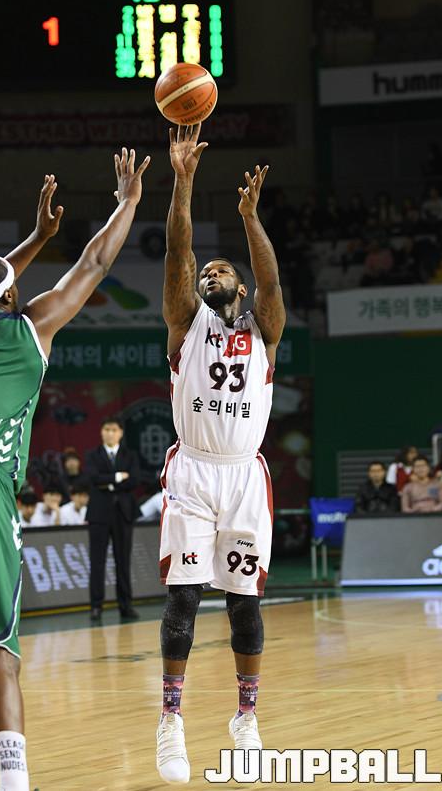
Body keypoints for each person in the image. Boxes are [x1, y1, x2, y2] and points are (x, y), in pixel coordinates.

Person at [0, 148, 150, 790]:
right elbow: (93, 263)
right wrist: (126, 202)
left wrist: (35, 238)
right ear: (14, 295)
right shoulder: (31, 328)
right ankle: (15, 785)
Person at [156, 124, 285, 784]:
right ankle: (171, 721)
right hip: (193, 473)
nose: (211, 272)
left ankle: (246, 718)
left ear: (240, 287)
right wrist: (183, 180)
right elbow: (178, 248)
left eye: (223, 270)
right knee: (183, 598)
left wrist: (250, 218)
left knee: (244, 605)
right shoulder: (185, 322)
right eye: (207, 271)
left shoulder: (265, 327)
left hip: (243, 478)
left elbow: (270, 276)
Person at [85, 416, 140, 622]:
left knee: (123, 561)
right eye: (106, 429)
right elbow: (92, 478)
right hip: (99, 514)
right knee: (97, 562)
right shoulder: (92, 455)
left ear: (121, 433)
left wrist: (106, 482)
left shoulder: (130, 455)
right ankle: (96, 606)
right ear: (101, 432)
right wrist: (118, 477)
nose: (110, 433)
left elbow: (135, 479)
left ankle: (126, 605)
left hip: (123, 513)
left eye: (114, 429)